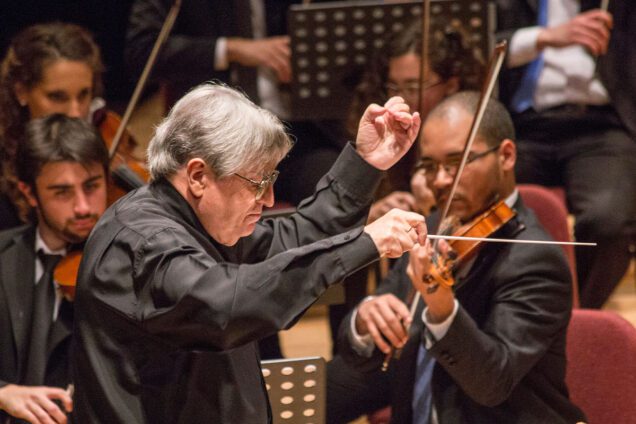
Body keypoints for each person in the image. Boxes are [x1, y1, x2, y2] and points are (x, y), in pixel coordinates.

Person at [71, 83, 425, 423]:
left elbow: (297, 239)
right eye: (258, 183)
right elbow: (227, 306)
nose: (270, 200)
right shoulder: (142, 243)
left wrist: (366, 163)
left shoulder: (201, 223)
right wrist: (363, 243)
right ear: (198, 176)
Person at [329, 92, 586, 423]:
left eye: (457, 163)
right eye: (430, 166)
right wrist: (365, 320)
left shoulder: (535, 260)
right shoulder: (435, 225)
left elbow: (494, 382)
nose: (440, 181)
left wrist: (440, 306)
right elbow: (359, 351)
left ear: (506, 156)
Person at [496, 0, 636, 308]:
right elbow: (478, 45)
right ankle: (512, 309)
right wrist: (542, 37)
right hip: (523, 126)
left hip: (600, 125)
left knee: (609, 222)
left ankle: (576, 315)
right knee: (490, 212)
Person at [0, 114, 109, 423]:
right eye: (62, 192)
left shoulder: (133, 265)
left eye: (92, 186)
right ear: (29, 192)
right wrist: (3, 393)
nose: (83, 207)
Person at [0, 22, 143, 231]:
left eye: (84, 95)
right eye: (57, 97)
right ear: (21, 92)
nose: (76, 113)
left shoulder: (106, 130)